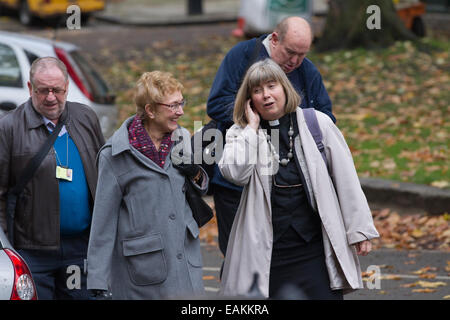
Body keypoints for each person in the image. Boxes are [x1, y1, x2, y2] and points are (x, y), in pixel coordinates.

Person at [218, 59, 379, 299]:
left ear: (284, 88)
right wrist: (251, 127)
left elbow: (347, 179)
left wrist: (360, 230)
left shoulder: (317, 123)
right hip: (269, 253)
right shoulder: (240, 134)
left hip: (315, 249)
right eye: (257, 90)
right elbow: (235, 173)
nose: (266, 95)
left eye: (272, 86)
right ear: (249, 99)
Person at [207, 16, 335, 256]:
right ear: (275, 39)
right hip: (239, 185)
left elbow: (326, 116)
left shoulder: (306, 71)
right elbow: (216, 104)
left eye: (302, 54)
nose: (295, 61)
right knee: (241, 259)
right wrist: (259, 118)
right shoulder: (242, 56)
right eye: (290, 52)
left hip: (289, 187)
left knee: (280, 260)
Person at [87, 71, 207, 299]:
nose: (180, 111)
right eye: (173, 106)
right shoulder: (115, 155)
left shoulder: (181, 138)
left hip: (186, 265)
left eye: (181, 103)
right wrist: (98, 279)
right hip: (142, 274)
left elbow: (199, 188)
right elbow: (103, 221)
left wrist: (194, 173)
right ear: (151, 110)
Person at [0, 57, 105, 299]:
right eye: (42, 90)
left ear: (67, 87)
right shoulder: (9, 127)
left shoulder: (85, 117)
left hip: (80, 249)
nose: (50, 97)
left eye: (57, 90)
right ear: (29, 88)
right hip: (32, 252)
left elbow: (105, 173)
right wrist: (8, 250)